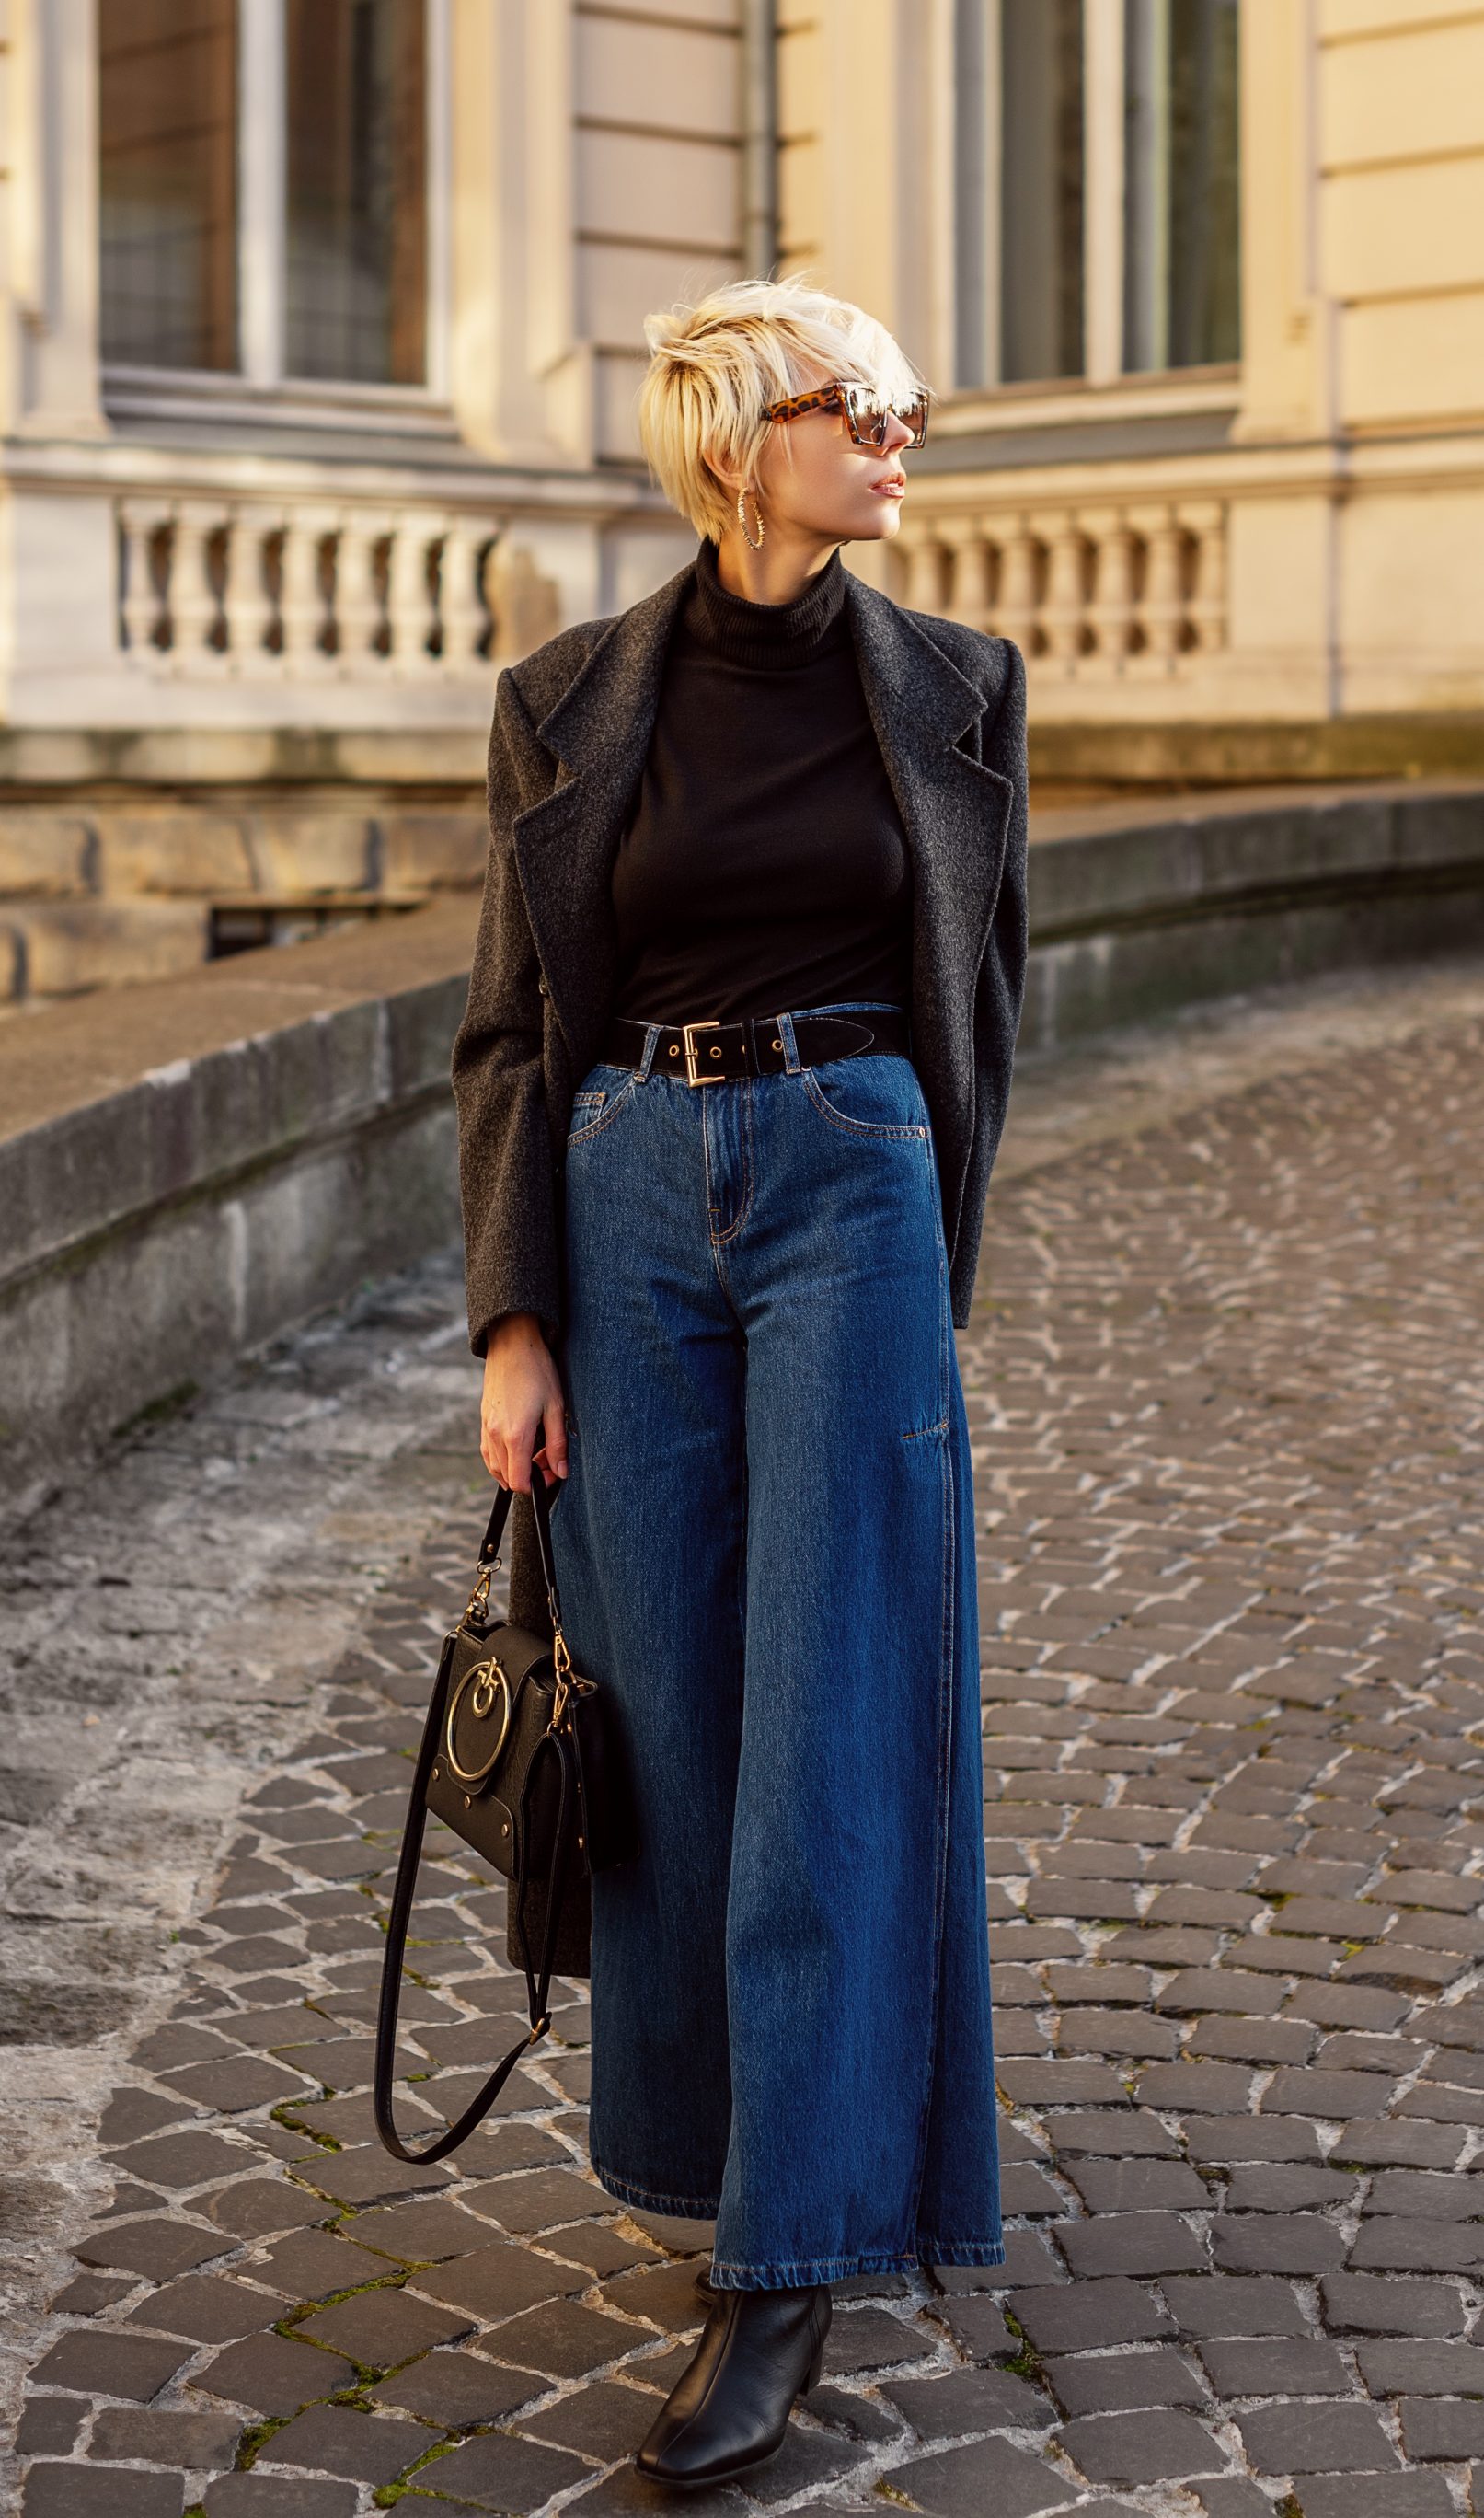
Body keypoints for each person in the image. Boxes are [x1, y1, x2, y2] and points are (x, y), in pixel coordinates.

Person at [450, 274, 1029, 2489]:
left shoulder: (960, 690)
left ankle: (787, 2260)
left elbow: (986, 996)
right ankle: (704, 2148)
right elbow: (510, 1027)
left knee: (834, 1713)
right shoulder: (568, 699)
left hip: (850, 1183)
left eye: (903, 401)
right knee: (672, 1714)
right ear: (735, 440)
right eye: (854, 403)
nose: (901, 430)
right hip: (621, 1195)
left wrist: (910, 1242)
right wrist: (516, 1320)